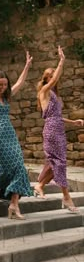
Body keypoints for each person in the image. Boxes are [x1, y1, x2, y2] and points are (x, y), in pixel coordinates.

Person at [0, 51, 33, 220]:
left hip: (10, 134)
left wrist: (26, 66)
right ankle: (13, 205)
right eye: (0, 85)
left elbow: (20, 83)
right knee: (15, 168)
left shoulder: (7, 96)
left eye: (5, 84)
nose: (3, 87)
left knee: (12, 167)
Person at [34, 46, 83, 212]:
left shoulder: (55, 95)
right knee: (59, 163)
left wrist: (73, 122)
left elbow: (57, 116)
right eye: (50, 74)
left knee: (56, 163)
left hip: (58, 128)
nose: (53, 76)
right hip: (51, 129)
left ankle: (40, 185)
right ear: (46, 79)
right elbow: (51, 117)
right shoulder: (44, 91)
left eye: (53, 73)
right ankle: (66, 197)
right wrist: (62, 61)